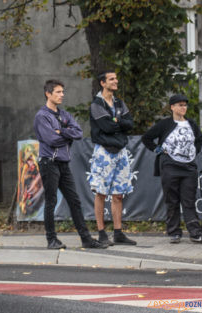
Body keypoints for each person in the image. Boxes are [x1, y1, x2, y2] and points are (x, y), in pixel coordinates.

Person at [34, 79, 107, 250]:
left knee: (75, 201)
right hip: (49, 163)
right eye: (58, 92)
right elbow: (51, 139)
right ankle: (51, 239)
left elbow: (79, 133)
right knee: (51, 201)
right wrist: (65, 134)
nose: (62, 95)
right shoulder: (42, 116)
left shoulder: (64, 114)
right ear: (48, 94)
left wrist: (63, 131)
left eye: (62, 92)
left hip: (63, 164)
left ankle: (86, 239)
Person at [142, 94, 202, 244]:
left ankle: (195, 233)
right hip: (170, 166)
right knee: (172, 200)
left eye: (185, 105)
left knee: (189, 200)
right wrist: (158, 150)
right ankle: (174, 232)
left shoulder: (191, 124)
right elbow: (147, 138)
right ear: (172, 107)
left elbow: (199, 139)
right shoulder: (165, 124)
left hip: (189, 168)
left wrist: (194, 152)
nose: (183, 107)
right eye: (180, 105)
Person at [89, 71, 137, 246]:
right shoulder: (96, 104)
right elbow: (106, 127)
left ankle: (118, 233)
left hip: (121, 151)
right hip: (104, 152)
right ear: (103, 83)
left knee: (118, 195)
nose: (116, 81)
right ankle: (101, 233)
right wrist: (118, 123)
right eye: (112, 79)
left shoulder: (119, 102)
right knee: (101, 193)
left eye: (116, 78)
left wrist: (116, 121)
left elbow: (130, 124)